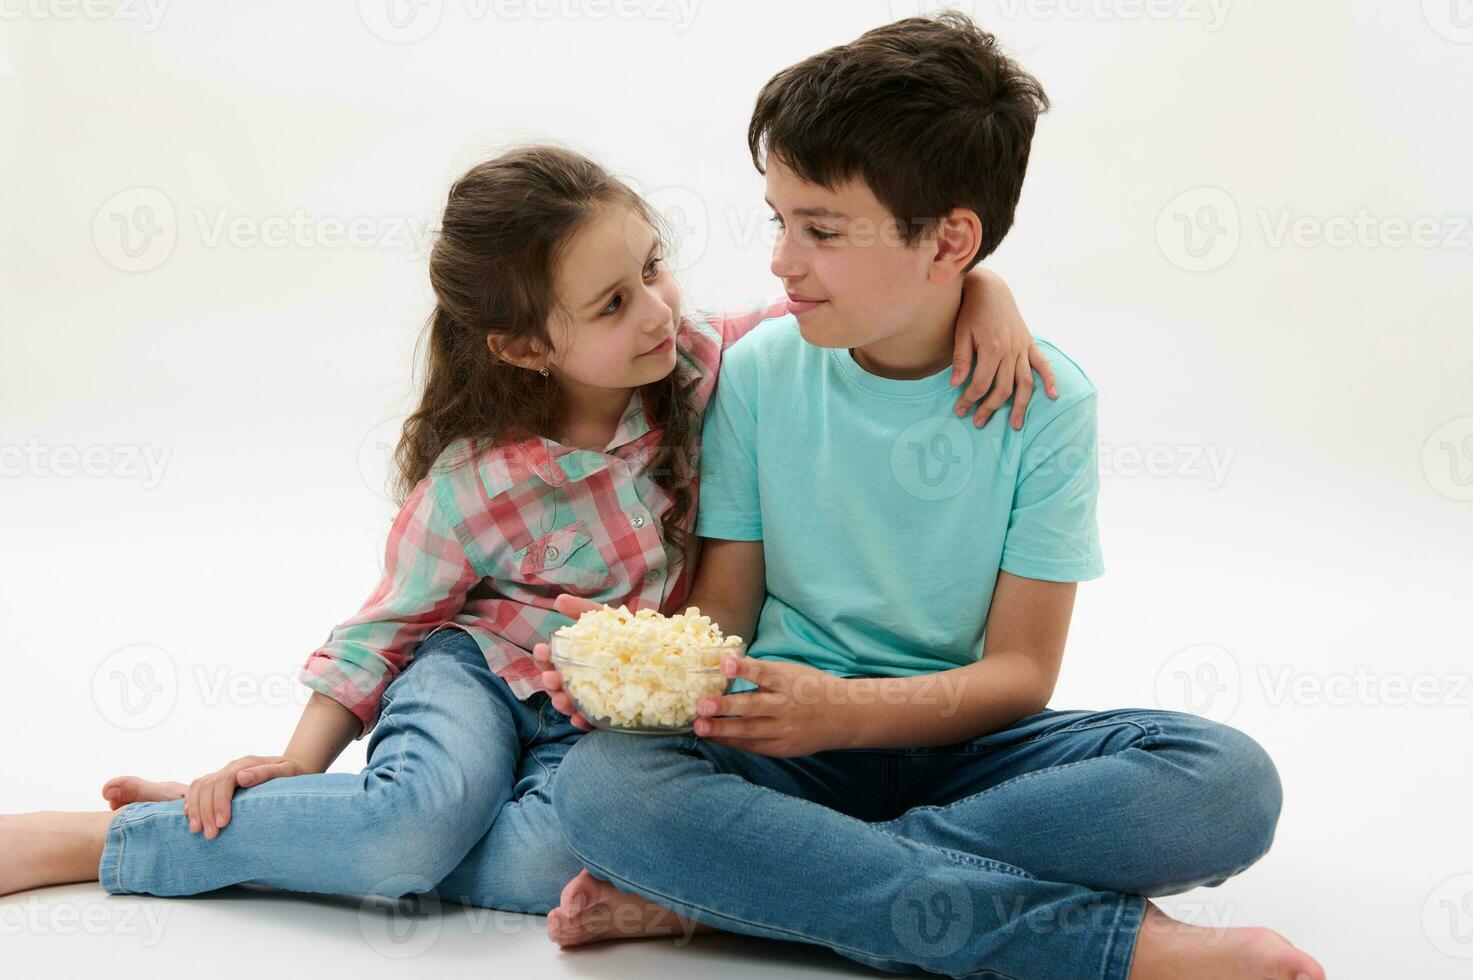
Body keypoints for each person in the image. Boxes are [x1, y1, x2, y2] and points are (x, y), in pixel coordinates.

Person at [0, 144, 1051, 913]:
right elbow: (383, 633)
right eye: (609, 303)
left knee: (547, 866)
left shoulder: (699, 364)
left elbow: (852, 309)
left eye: (652, 266)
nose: (652, 308)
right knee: (409, 822)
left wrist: (983, 291)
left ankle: (319, 839)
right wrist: (297, 758)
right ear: (524, 346)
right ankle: (118, 834)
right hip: (473, 672)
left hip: (594, 716)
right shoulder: (473, 482)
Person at [534, 15, 1326, 980]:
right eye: (778, 220)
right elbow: (725, 619)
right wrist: (627, 662)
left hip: (967, 741)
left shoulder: (1049, 405)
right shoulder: (756, 372)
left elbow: (1019, 674)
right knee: (608, 790)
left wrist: (849, 717)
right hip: (783, 739)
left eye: (819, 229)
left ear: (951, 240)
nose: (783, 260)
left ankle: (761, 885)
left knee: (1226, 785)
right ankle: (1106, 946)